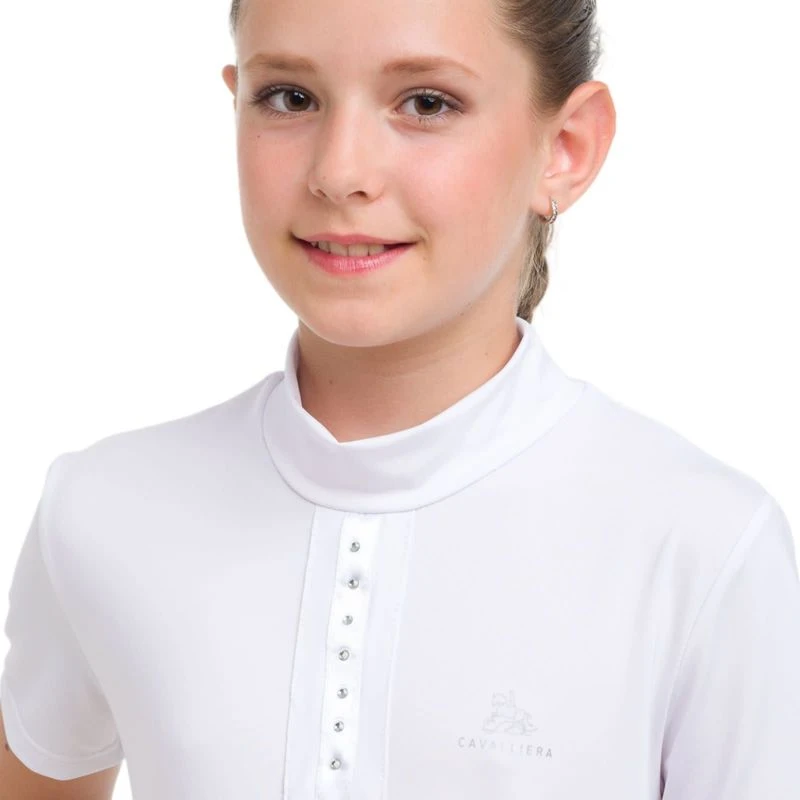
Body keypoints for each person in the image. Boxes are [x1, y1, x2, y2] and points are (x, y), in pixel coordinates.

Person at [2, 0, 798, 798]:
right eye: (289, 97)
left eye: (426, 103)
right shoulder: (105, 510)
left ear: (566, 146)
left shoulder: (700, 547)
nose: (339, 171)